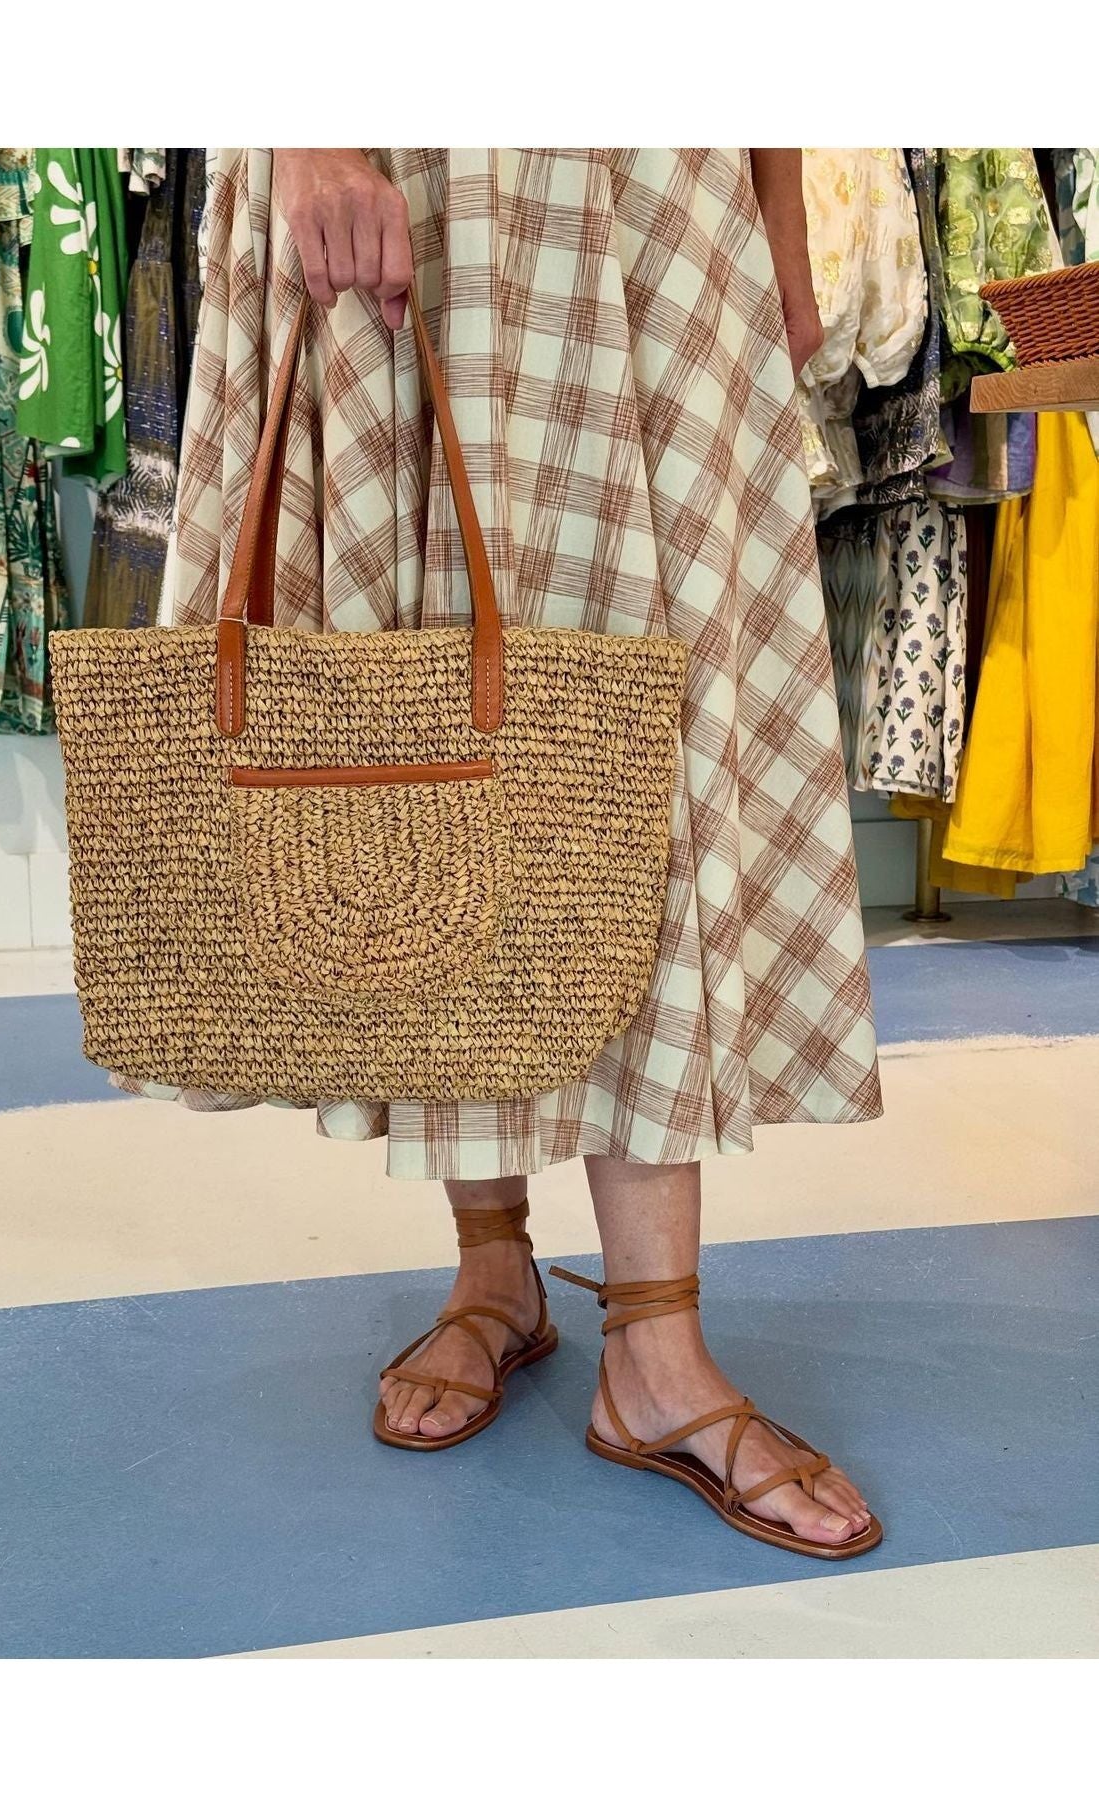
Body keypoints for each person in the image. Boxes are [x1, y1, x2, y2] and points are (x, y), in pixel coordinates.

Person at [162, 148, 884, 1557]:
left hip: (654, 163)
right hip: (404, 144)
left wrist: (785, 206)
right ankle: (493, 1266)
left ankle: (656, 1345)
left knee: (643, 735)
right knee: (417, 731)